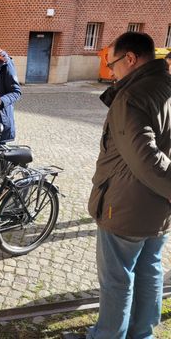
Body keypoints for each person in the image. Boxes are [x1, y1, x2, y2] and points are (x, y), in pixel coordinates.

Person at [86, 32, 171, 339]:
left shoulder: (131, 97)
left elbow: (147, 160)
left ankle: (109, 335)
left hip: (124, 207)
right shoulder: (166, 85)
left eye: (113, 64)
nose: (111, 72)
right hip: (158, 210)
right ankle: (143, 333)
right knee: (150, 271)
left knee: (117, 280)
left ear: (131, 59)